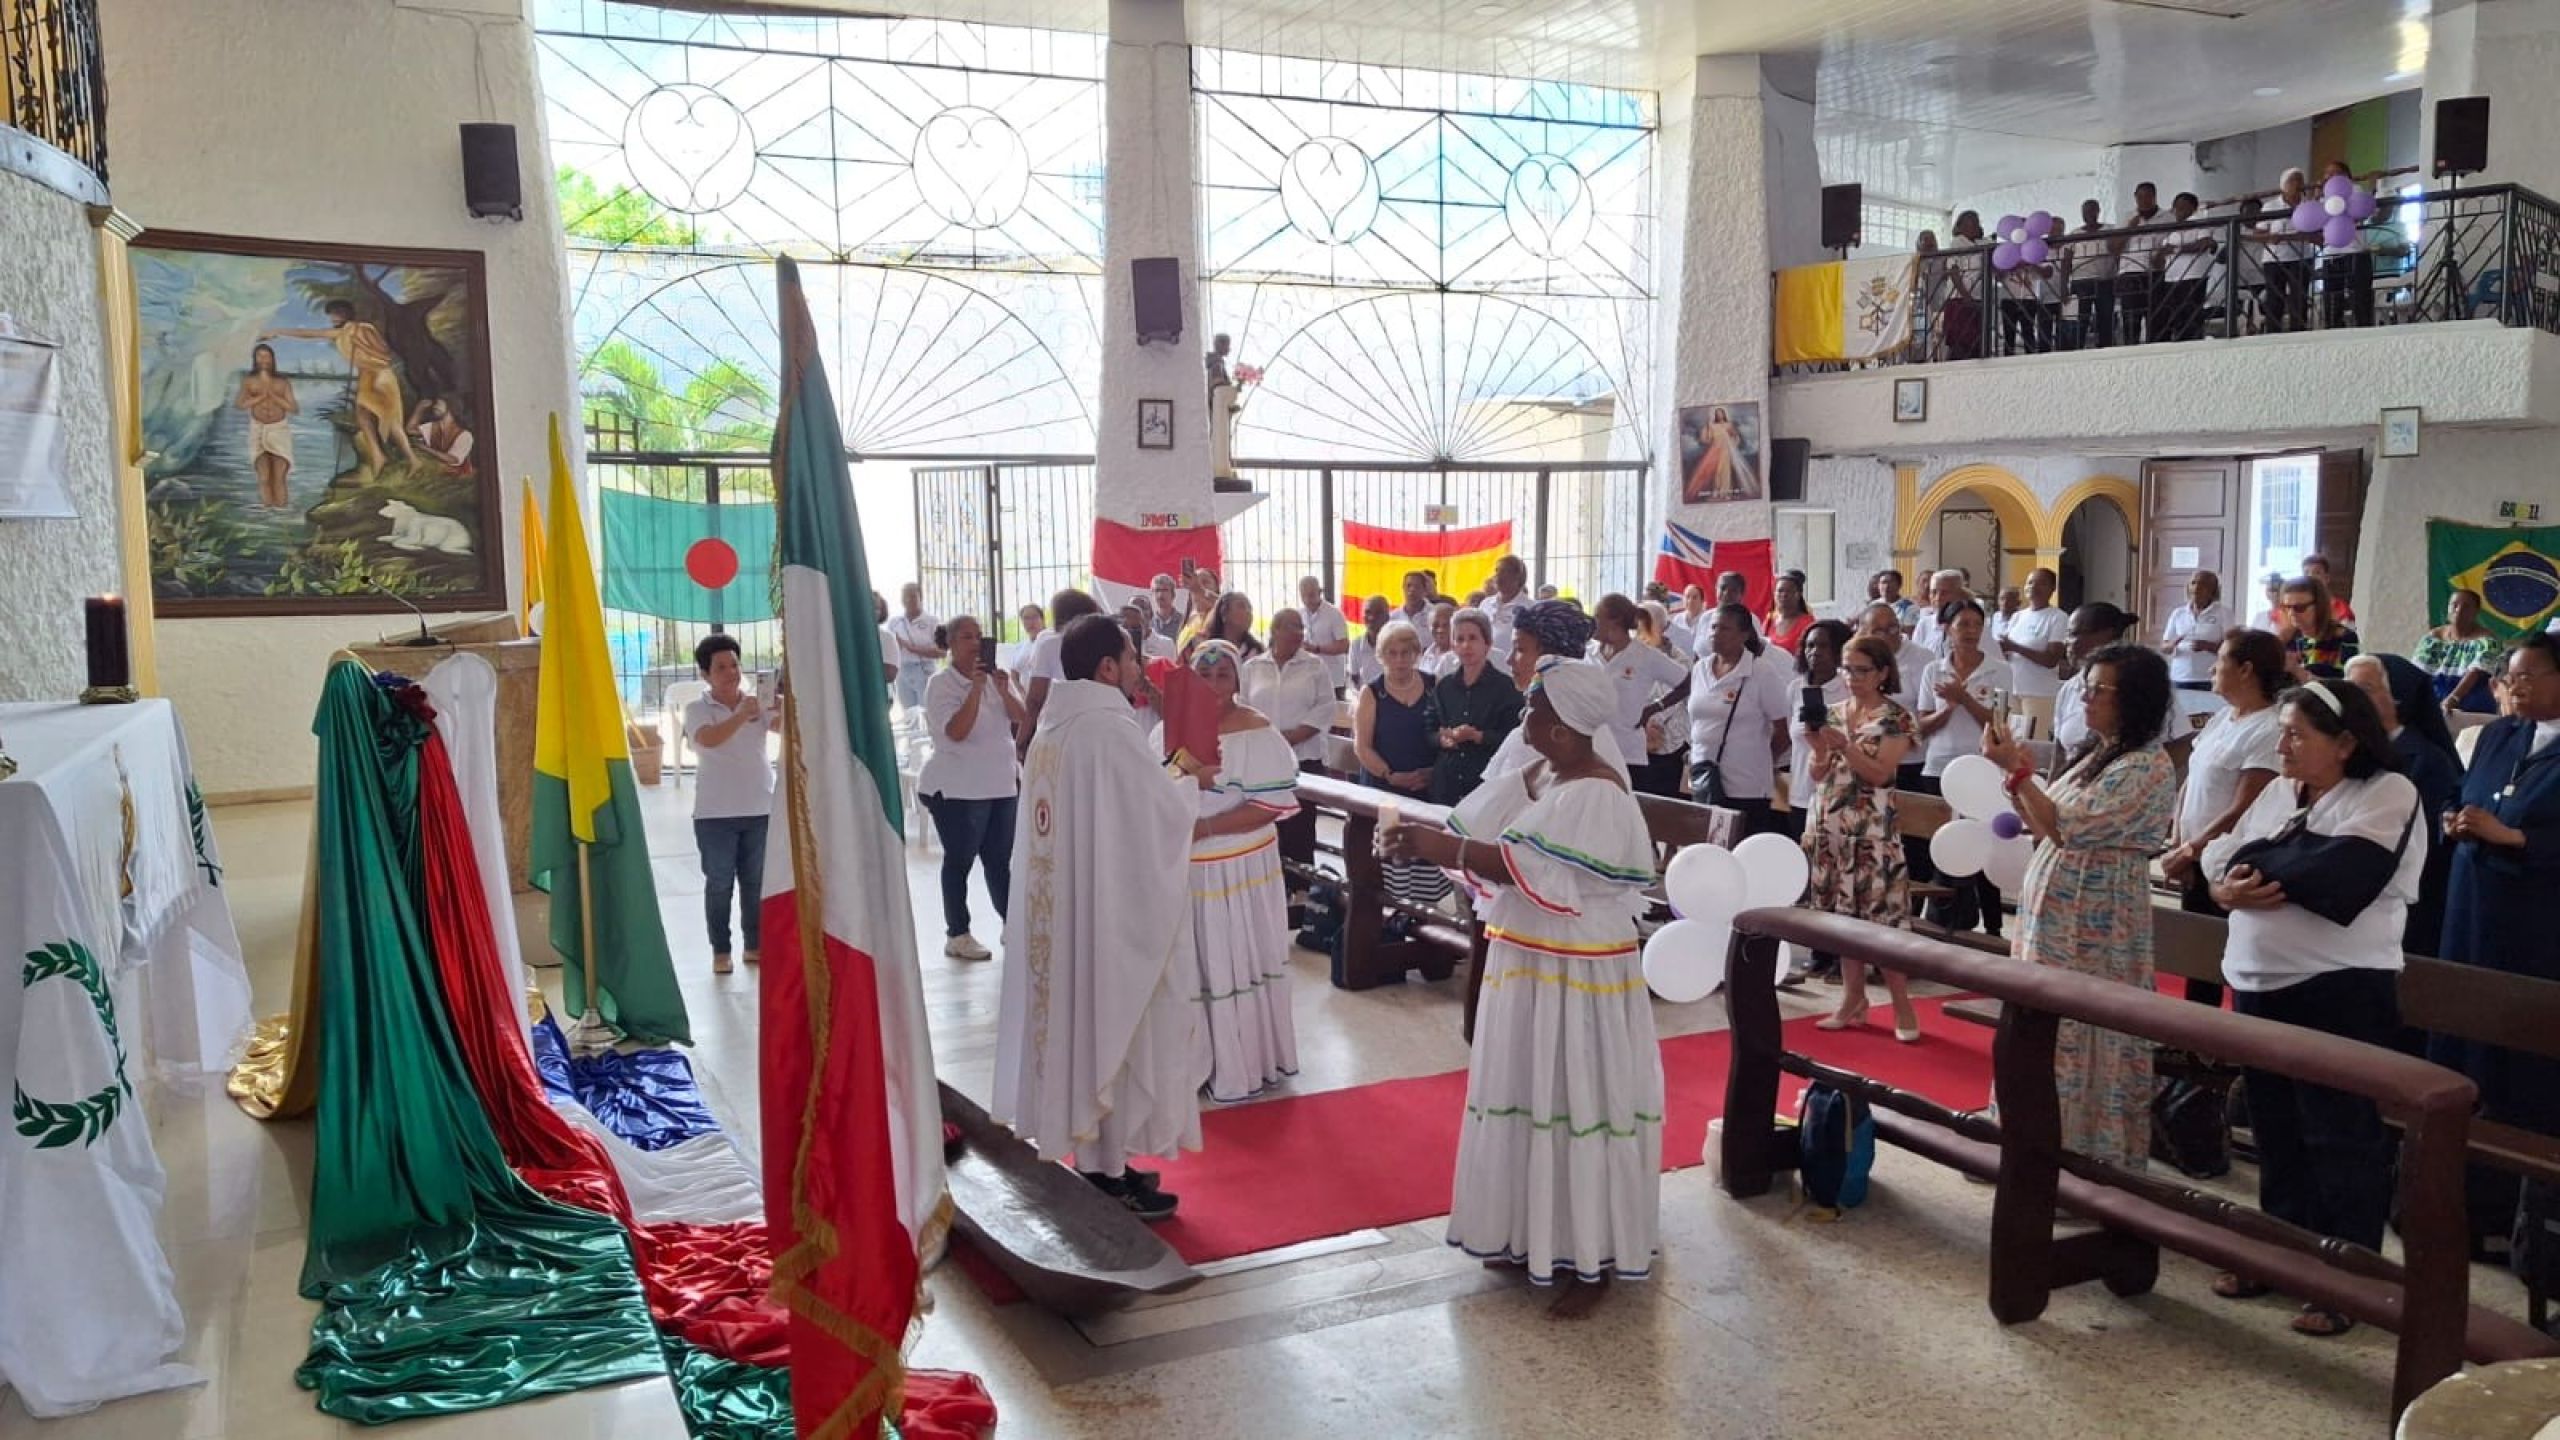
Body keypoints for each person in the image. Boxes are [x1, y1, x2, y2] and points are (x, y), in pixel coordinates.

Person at [1378, 661, 1661, 1316]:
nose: (1524, 716)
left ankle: (1591, 1255)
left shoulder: (1596, 792)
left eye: (1534, 707)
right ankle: (1529, 1231)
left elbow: (1519, 861)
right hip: (1529, 957)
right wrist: (1420, 842)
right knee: (1528, 1089)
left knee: (1577, 1092)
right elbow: (1478, 829)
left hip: (1578, 967)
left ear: (1563, 727)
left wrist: (1431, 847)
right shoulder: (1540, 772)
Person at [2202, 677, 2426, 1338]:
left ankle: (2347, 1280)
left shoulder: (2388, 792)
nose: (2282, 747)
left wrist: (2257, 865)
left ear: (2346, 742)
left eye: (2297, 735)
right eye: (2282, 734)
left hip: (2340, 986)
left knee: (2339, 1134)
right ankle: (2281, 1257)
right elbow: (2219, 856)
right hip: (2259, 982)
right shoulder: (2281, 791)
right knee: (2274, 1126)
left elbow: (2341, 878)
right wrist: (2226, 887)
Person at [995, 615, 1204, 1220]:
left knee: (1080, 1032)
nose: (1138, 668)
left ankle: (1101, 1162)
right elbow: (1154, 815)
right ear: (1108, 668)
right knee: (1111, 1028)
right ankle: (1106, 1173)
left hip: (1062, 921)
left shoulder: (1053, 730)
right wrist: (1186, 777)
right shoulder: (1107, 731)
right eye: (1131, 657)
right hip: (1102, 919)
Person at [1983, 643, 2179, 1169]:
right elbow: (2046, 824)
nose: (2086, 699)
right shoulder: (2098, 754)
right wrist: (2019, 776)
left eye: (2098, 690)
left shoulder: (2146, 766)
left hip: (2099, 918)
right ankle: (2027, 1147)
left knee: (2083, 1031)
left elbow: (2069, 827)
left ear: (2133, 699)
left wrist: (2018, 772)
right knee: (2039, 1024)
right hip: (2057, 913)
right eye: (2085, 688)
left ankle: (2085, 1156)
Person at [2434, 635, 2560, 1204]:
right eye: (2512, 677)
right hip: (2471, 906)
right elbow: (2462, 793)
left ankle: (2511, 1203)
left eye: (2530, 676)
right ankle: (2451, 1187)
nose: (2516, 687)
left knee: (2517, 1057)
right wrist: (2453, 818)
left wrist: (2515, 837)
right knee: (2463, 1036)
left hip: (2537, 922)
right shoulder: (2498, 734)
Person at [1179, 641, 1302, 1103]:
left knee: (1235, 958)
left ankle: (1242, 1062)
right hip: (1188, 865)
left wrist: (1206, 827)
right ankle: (1197, 1062)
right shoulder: (1171, 728)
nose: (1212, 684)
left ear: (1237, 680)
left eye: (1222, 675)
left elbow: (1269, 805)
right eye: (1204, 674)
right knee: (1197, 962)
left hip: (1239, 864)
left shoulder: (1256, 730)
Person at [1805, 635, 1922, 1038]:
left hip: (1872, 830)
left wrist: (1846, 747)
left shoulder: (1896, 718)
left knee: (1883, 919)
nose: (1852, 677)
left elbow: (1881, 774)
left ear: (1883, 672)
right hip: (1832, 824)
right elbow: (1817, 773)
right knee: (1842, 917)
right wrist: (1819, 749)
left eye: (1862, 670)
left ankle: (1902, 1005)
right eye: (1847, 669)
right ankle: (1852, 997)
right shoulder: (1833, 713)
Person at [918, 615, 1024, 962]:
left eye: (979, 636)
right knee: (960, 860)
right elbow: (956, 732)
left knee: (999, 860)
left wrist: (1003, 689)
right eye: (967, 637)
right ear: (950, 643)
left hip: (1001, 783)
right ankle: (958, 933)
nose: (976, 643)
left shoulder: (994, 678)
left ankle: (1013, 926)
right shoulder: (941, 684)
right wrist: (976, 690)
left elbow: (1020, 716)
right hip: (959, 789)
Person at [2347, 654, 2462, 955]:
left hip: (2403, 903)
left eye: (2364, 689)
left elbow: (2423, 843)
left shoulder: (2427, 761)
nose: (2352, 699)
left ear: (2398, 698)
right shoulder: (2345, 750)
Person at [1911, 601, 2007, 934]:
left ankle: (1993, 928)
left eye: (1976, 625)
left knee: (1983, 848)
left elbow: (1999, 724)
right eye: (1963, 624)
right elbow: (1922, 726)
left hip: (1983, 770)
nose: (1970, 631)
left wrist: (1965, 699)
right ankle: (1937, 922)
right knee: (1941, 847)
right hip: (1938, 768)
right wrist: (1949, 706)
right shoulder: (1933, 670)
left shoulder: (1999, 670)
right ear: (1947, 629)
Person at [683, 634, 774, 976]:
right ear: (705, 674)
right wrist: (740, 716)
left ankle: (755, 944)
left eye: (734, 664)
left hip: (759, 807)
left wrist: (784, 706)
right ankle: (721, 949)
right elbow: (708, 740)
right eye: (720, 667)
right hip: (715, 814)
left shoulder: (757, 704)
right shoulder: (697, 709)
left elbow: (787, 729)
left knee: (755, 881)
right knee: (720, 883)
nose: (730, 672)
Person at [260, 299, 415, 480]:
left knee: (390, 420)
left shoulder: (363, 328)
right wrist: (277, 332)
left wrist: (360, 339)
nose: (333, 318)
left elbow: (383, 350)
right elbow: (309, 334)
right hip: (367, 377)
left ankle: (413, 461)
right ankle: (379, 457)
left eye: (336, 314)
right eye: (332, 315)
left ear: (346, 314)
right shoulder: (342, 333)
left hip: (380, 376)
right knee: (363, 416)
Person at [1355, 621, 1451, 909]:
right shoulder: (1372, 693)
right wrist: (1390, 774)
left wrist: (1433, 773)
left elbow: (1445, 735)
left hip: (1426, 788)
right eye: (1392, 653)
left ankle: (1425, 916)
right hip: (1386, 789)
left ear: (1416, 653)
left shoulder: (1434, 686)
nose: (1399, 660)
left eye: (1406, 653)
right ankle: (1392, 915)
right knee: (1391, 867)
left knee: (1426, 863)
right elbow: (1362, 746)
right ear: (1381, 656)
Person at [1243, 608, 1335, 900]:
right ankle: (1270, 893)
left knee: (1300, 831)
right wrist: (1267, 739)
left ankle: (1300, 895)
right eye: (1292, 626)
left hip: (1304, 759)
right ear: (1275, 630)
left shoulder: (1315, 666)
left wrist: (1292, 736)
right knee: (1268, 827)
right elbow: (1242, 706)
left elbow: (1325, 707)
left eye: (1301, 627)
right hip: (1264, 760)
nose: (1299, 632)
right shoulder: (1253, 667)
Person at [1685, 603, 1792, 833]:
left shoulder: (1761, 671)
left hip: (1747, 786)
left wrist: (1763, 760)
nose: (1715, 634)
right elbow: (1696, 722)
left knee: (1742, 845)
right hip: (1705, 779)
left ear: (1744, 635)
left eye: (1725, 629)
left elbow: (1782, 730)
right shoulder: (1700, 669)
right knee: (1707, 845)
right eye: (1713, 627)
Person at [1593, 594, 1689, 800]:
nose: (1593, 622)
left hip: (1627, 754)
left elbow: (1686, 683)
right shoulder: (1589, 653)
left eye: (1597, 617)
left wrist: (1653, 708)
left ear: (1615, 621)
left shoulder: (1644, 655)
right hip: (1593, 753)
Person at [1429, 608, 1522, 806]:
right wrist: (1443, 738)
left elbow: (1513, 738)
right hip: (1447, 784)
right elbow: (1429, 728)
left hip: (1485, 784)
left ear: (1487, 644)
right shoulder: (1445, 686)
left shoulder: (1506, 687)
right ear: (1453, 645)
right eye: (1460, 639)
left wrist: (1478, 736)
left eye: (1473, 638)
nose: (1466, 645)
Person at [1021, 588, 1104, 752]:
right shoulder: (1102, 643)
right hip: (1097, 720)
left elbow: (1035, 699)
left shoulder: (1049, 644)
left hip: (1059, 723)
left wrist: (1022, 738)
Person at [2054, 603, 2139, 752]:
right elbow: (2059, 749)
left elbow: (2178, 743)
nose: (2066, 641)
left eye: (2073, 634)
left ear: (2105, 636)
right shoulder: (2069, 689)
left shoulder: (2139, 685)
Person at [1634, 601, 1697, 798]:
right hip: (1636, 740)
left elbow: (1675, 695)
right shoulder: (1629, 654)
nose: (1637, 629)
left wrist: (1650, 720)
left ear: (1659, 627)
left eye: (1643, 624)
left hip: (1669, 743)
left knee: (1664, 802)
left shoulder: (1678, 659)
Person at [232, 343, 299, 508]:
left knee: (279, 477)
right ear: (254, 359)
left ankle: (281, 513)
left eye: (266, 356)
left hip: (278, 430)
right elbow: (239, 404)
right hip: (258, 429)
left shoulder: (282, 382)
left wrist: (274, 397)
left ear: (272, 359)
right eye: (260, 356)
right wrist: (260, 398)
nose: (263, 360)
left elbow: (294, 408)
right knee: (263, 477)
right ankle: (267, 512)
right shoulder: (249, 381)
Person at [2417, 586, 2502, 714]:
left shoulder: (2487, 640)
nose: (2459, 610)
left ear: (2476, 612)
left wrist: (2453, 698)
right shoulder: (2433, 638)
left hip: (2470, 699)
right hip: (2433, 697)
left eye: (2466, 607)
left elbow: (2475, 673)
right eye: (2454, 605)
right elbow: (2418, 672)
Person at [1999, 567, 2070, 711]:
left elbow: (2051, 659)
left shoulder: (2057, 617)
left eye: (2041, 583)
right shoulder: (2017, 616)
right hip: (2012, 689)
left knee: (2035, 727)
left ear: (2052, 588)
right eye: (2030, 583)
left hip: (2039, 693)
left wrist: (2015, 648)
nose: (2034, 587)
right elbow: (2007, 651)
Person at [2316, 163, 2376, 331]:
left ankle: (2363, 330)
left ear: (2346, 176)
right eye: (2327, 173)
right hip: (2331, 253)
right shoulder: (2323, 197)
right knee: (2332, 299)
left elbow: (2360, 213)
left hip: (2355, 250)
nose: (2330, 176)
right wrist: (2316, 195)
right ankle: (2332, 330)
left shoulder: (2354, 190)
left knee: (2360, 298)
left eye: (2335, 173)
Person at [2257, 169, 2315, 334]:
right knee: (2275, 299)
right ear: (2284, 186)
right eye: (2293, 180)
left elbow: (2315, 231)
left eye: (2300, 180)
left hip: (2301, 257)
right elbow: (2259, 231)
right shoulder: (2271, 206)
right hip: (2274, 259)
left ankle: (2298, 332)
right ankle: (2273, 333)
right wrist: (2271, 237)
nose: (2298, 184)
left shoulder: (2308, 205)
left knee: (2299, 298)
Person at [2155, 192, 2217, 342]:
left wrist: (2176, 249)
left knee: (2191, 314)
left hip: (2192, 275)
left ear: (2193, 208)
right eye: (2177, 206)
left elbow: (2205, 243)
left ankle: (2192, 342)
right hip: (2172, 278)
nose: (2179, 210)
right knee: (2176, 315)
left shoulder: (2198, 222)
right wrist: (2161, 253)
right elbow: (2160, 256)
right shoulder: (2172, 229)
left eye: (2184, 206)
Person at [2276, 574, 2358, 680]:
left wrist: (2297, 671)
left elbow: (2347, 685)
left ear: (2319, 606)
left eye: (2300, 607)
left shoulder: (2344, 638)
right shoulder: (2286, 638)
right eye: (2286, 607)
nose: (2291, 613)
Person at [2113, 182, 2165, 347]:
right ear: (2135, 198)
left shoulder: (2167, 217)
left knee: (2157, 319)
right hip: (2130, 273)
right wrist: (2130, 228)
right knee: (2130, 320)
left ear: (2154, 197)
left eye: (2148, 196)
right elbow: (2114, 249)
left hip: (2157, 272)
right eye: (2140, 197)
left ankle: (2157, 352)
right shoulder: (2126, 217)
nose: (2144, 200)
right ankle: (2130, 351)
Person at [884, 583, 944, 724]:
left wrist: (911, 648)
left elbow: (941, 652)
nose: (909, 600)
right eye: (905, 597)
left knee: (928, 714)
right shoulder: (895, 622)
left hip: (924, 671)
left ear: (920, 597)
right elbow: (889, 648)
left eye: (912, 596)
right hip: (903, 671)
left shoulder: (933, 621)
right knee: (909, 716)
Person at [2160, 571, 2229, 692]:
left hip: (2209, 679)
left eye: (2203, 584)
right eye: (2193, 583)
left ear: (2213, 590)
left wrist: (2208, 646)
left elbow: (2231, 647)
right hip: (2179, 677)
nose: (2196, 588)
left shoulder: (2224, 613)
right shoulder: (2178, 613)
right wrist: (2170, 646)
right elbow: (2164, 646)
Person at [2068, 199, 2118, 349]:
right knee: (2081, 318)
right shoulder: (2074, 234)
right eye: (2085, 212)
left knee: (2106, 316)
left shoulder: (2110, 230)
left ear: (2098, 211)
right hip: (2080, 281)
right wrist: (2065, 286)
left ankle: (2105, 348)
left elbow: (2118, 253)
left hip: (2105, 280)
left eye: (2091, 210)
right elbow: (2066, 260)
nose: (2088, 214)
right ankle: (2077, 349)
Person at [1299, 575, 1351, 691]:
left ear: (1320, 592)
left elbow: (1344, 645)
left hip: (1332, 678)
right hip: (1308, 678)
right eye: (1303, 596)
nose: (1307, 600)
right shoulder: (1299, 614)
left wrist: (1317, 649)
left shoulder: (1334, 614)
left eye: (1311, 595)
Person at [406, 396, 475, 472]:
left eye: (439, 405)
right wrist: (419, 409)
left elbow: (452, 459)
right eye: (436, 404)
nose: (435, 407)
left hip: (457, 474)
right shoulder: (433, 426)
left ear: (451, 408)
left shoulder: (465, 435)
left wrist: (425, 448)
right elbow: (410, 430)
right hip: (436, 470)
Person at [1910, 569, 1968, 656]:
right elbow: (1915, 656)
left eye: (1945, 593)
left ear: (1959, 595)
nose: (1938, 598)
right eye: (1933, 592)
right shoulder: (1924, 624)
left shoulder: (1973, 625)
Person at [1483, 555, 1532, 658]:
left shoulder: (1530, 607)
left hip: (1512, 663)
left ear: (1517, 576)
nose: (1497, 576)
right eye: (1497, 571)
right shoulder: (1486, 603)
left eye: (1504, 571)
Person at [1765, 569, 1816, 655]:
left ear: (1798, 594)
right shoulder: (1769, 621)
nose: (1784, 595)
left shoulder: (1807, 623)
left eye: (1789, 591)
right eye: (1780, 591)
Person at [1346, 594, 1390, 690]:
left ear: (1387, 617)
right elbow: (1353, 677)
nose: (1371, 617)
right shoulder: (1356, 645)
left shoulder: (1397, 643)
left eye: (1378, 613)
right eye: (1367, 612)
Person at [2302, 554, 2357, 625]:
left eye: (2317, 572)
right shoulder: (2297, 606)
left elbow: (2347, 630)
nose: (2311, 577)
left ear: (2327, 578)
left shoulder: (2341, 609)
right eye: (2306, 573)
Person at [1422, 600, 1458, 678]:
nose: (1440, 630)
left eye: (1446, 625)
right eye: (1435, 625)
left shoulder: (1461, 656)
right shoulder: (1425, 655)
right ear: (1429, 627)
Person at [1149, 574, 1184, 641]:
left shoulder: (1184, 622)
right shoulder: (1148, 624)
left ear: (1173, 595)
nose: (1160, 594)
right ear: (1152, 594)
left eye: (1165, 590)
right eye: (1157, 590)